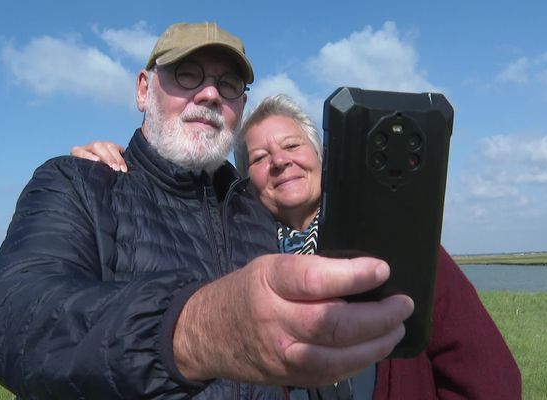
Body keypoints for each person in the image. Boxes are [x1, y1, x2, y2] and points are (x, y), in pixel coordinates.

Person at [0, 22, 414, 400]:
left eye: (229, 84)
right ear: (144, 89)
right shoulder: (78, 183)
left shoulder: (255, 208)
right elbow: (8, 314)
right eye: (187, 74)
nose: (209, 94)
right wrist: (194, 330)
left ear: (240, 106)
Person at [75, 94, 522, 399]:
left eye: (291, 145)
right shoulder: (233, 260)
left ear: (322, 157)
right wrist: (119, 167)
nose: (280, 160)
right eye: (258, 157)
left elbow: (488, 377)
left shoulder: (403, 247)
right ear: (244, 179)